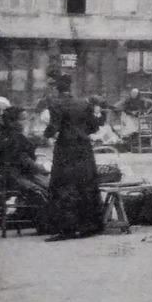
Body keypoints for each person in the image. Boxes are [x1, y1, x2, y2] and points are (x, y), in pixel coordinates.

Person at [43, 75, 106, 240]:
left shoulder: (56, 104)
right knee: (85, 183)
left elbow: (53, 127)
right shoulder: (82, 103)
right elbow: (94, 127)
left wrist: (46, 134)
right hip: (84, 149)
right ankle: (89, 226)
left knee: (64, 186)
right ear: (70, 88)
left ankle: (67, 228)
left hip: (66, 149)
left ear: (57, 88)